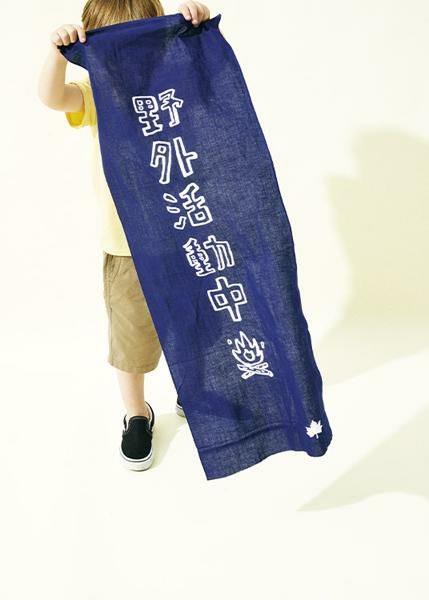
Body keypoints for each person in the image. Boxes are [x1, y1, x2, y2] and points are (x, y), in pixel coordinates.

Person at [37, 0, 212, 471]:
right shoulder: (97, 93)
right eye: (114, 47)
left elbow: (212, 86)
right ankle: (136, 413)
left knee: (195, 323)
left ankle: (194, 390)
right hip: (127, 245)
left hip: (184, 234)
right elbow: (53, 97)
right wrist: (57, 52)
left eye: (141, 41)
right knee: (132, 337)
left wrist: (195, 31)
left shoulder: (170, 84)